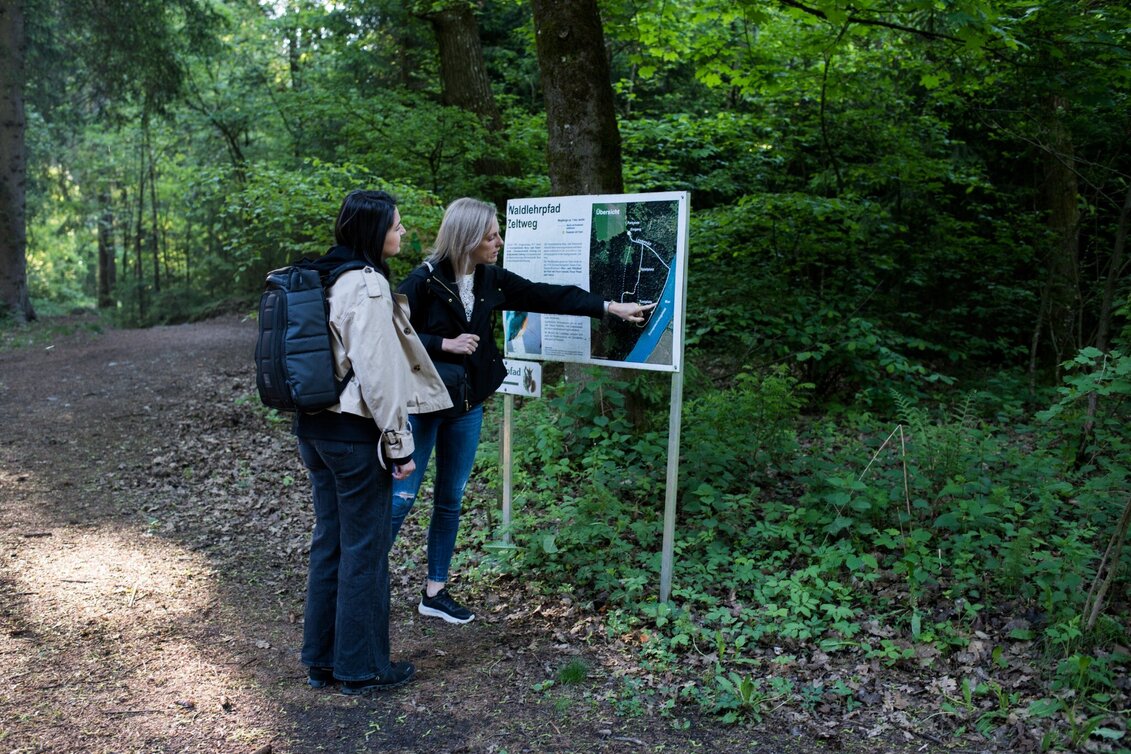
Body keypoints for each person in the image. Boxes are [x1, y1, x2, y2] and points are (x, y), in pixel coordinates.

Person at [392, 197, 655, 624]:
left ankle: (434, 591)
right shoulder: (422, 281)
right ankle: (362, 584)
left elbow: (549, 296)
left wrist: (609, 307)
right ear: (467, 238)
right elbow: (392, 335)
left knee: (450, 498)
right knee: (400, 499)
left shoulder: (489, 279)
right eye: (491, 235)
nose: (499, 241)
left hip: (468, 405)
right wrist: (444, 344)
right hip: (423, 406)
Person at [295, 189, 452, 694]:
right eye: (396, 225)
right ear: (372, 232)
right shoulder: (366, 285)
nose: (403, 233)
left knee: (331, 543)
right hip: (353, 436)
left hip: (315, 430)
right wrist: (399, 444)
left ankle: (323, 660)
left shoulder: (322, 276)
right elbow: (379, 375)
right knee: (363, 549)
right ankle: (361, 669)